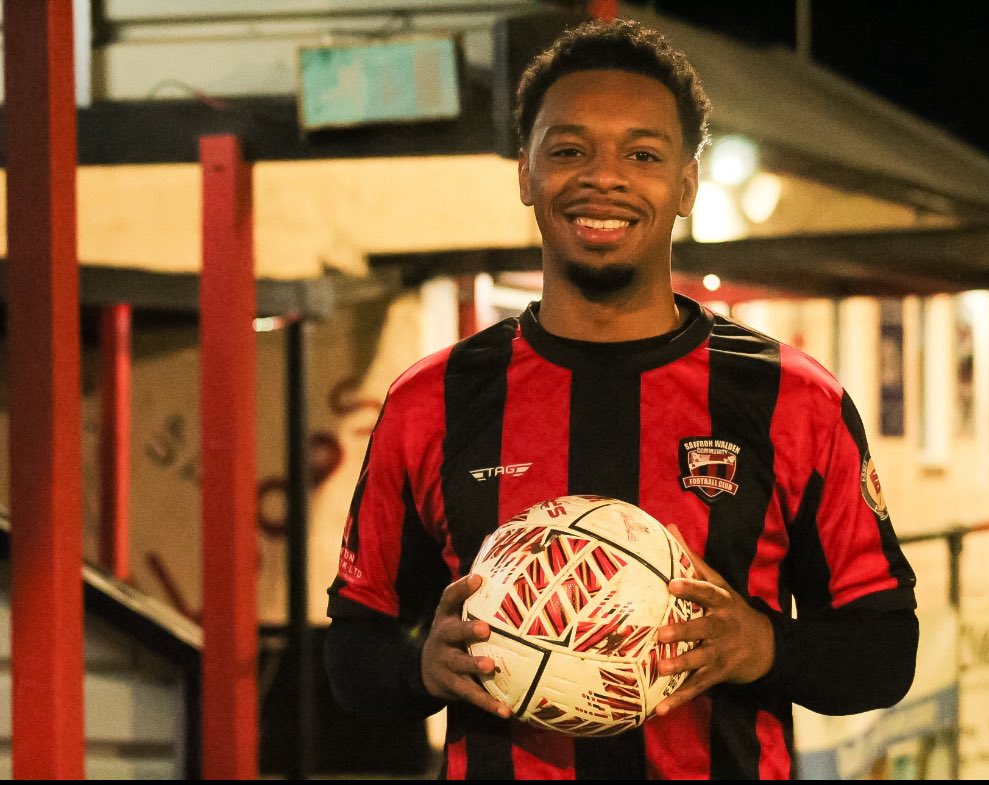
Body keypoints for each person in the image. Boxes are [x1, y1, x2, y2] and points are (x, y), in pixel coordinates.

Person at [324, 17, 918, 780]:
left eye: (642, 154)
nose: (603, 178)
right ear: (525, 175)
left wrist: (764, 645)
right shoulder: (432, 399)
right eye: (569, 150)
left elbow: (883, 648)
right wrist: (422, 667)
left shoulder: (791, 398)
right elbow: (354, 650)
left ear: (686, 186)